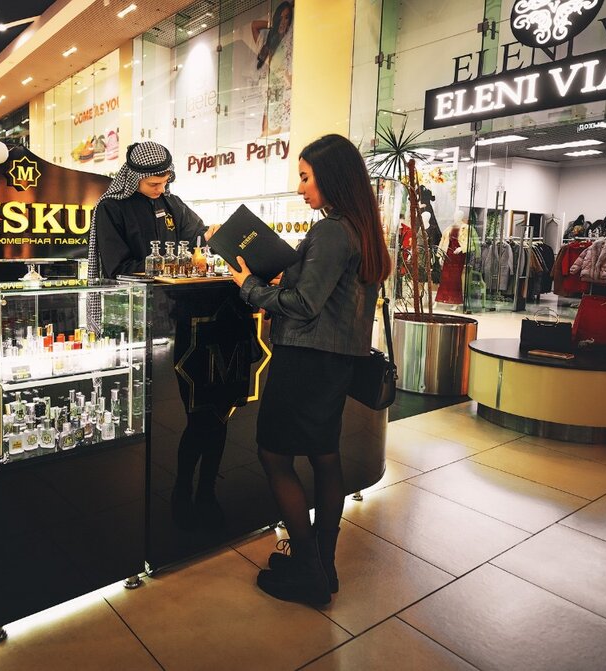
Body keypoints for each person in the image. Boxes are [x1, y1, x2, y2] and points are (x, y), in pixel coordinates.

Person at [228, 134, 390, 606]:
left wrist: (250, 287)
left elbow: (304, 304)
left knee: (274, 456)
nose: (300, 188)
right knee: (324, 456)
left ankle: (307, 569)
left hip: (305, 359)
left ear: (331, 177)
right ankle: (323, 565)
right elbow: (328, 293)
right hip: (336, 362)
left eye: (305, 177)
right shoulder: (361, 229)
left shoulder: (331, 231)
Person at [88, 141, 213, 280]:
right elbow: (117, 267)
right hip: (132, 291)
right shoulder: (111, 208)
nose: (162, 189)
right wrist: (164, 265)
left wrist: (209, 236)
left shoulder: (172, 203)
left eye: (165, 182)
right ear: (134, 179)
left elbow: (194, 239)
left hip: (174, 291)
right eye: (153, 184)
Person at [251, 1, 293, 136]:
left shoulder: (289, 43)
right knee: (266, 137)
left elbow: (290, 77)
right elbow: (254, 25)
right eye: (280, 17)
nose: (283, 21)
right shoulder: (267, 43)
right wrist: (273, 24)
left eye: (287, 17)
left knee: (276, 138)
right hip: (269, 97)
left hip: (281, 96)